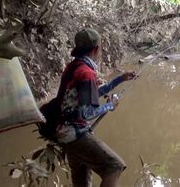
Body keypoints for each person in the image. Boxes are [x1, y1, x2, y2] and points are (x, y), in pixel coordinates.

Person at [55, 28, 135, 187]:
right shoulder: (85, 73)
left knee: (82, 182)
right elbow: (86, 113)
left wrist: (120, 79)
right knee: (114, 166)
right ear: (96, 49)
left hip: (64, 133)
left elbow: (90, 95)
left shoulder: (73, 67)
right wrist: (109, 106)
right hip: (75, 134)